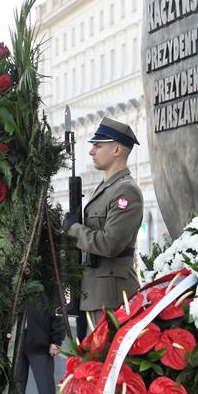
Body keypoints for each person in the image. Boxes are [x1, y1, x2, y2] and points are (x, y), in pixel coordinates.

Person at [63, 117, 143, 340]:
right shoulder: (107, 188)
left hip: (111, 298)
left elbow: (110, 244)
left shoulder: (125, 192)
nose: (91, 151)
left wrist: (74, 229)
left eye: (98, 145)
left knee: (106, 367)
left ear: (117, 149)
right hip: (93, 294)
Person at [9, 299, 65, 394]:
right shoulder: (11, 279)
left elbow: (58, 310)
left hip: (41, 343)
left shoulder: (46, 281)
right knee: (15, 387)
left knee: (46, 389)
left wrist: (56, 340)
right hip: (14, 342)